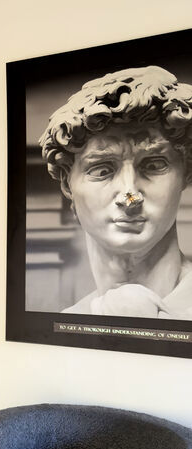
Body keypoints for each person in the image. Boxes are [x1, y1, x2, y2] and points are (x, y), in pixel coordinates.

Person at [39, 65, 192, 319]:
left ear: (186, 173)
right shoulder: (74, 317)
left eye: (154, 165)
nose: (130, 197)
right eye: (102, 170)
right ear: (67, 184)